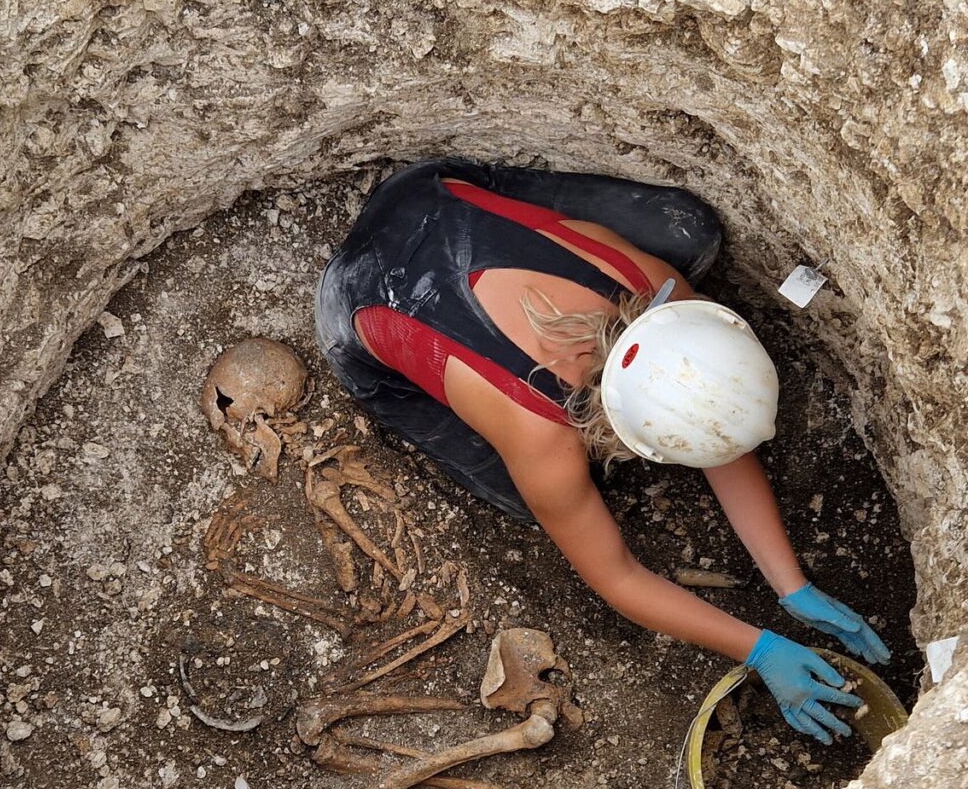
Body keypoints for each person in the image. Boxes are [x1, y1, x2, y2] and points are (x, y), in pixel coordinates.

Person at [314, 157, 890, 744]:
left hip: (434, 198)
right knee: (522, 496)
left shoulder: (656, 291)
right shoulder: (541, 437)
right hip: (357, 292)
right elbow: (616, 577)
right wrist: (761, 650)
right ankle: (391, 372)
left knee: (689, 230)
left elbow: (712, 427)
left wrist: (790, 585)